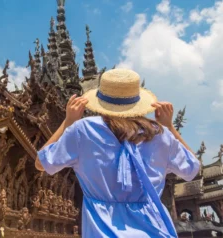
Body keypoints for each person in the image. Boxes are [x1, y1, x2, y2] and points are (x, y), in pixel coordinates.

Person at [35, 69, 200, 237]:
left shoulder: (83, 131)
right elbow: (192, 168)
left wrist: (68, 122)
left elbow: (41, 163)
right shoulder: (160, 135)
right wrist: (169, 127)